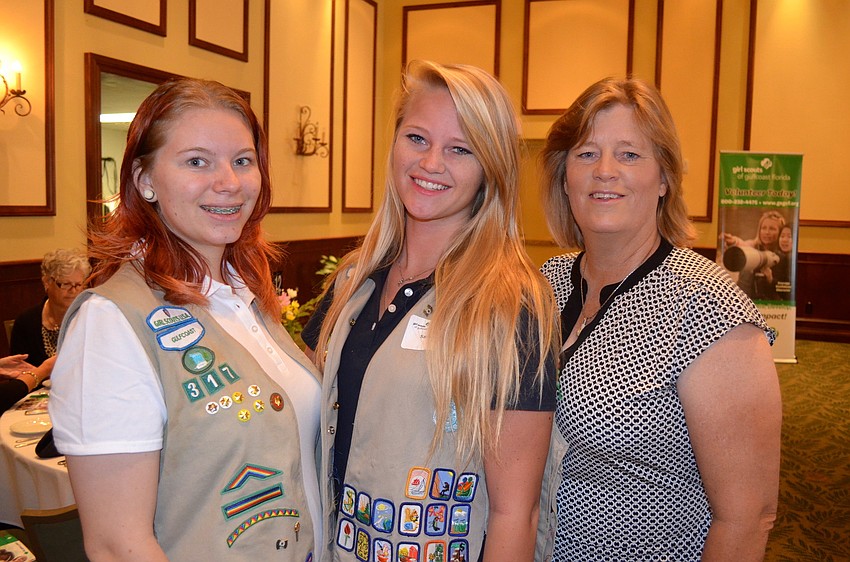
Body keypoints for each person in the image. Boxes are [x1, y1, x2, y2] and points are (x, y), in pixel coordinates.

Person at [48, 78, 322, 561]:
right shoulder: (111, 322)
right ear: (144, 180)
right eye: (198, 161)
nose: (230, 182)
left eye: (242, 161)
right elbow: (118, 545)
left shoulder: (244, 295)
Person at [302, 60, 559, 562]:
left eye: (459, 149)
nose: (431, 162)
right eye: (417, 138)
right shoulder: (352, 283)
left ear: (491, 169)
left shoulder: (511, 305)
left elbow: (516, 514)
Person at [536, 77, 782, 561]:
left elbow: (748, 516)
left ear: (665, 178)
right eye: (586, 154)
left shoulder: (708, 306)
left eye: (629, 155)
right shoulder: (546, 283)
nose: (605, 171)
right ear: (564, 177)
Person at [10, 248, 91, 368]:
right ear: (47, 282)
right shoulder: (26, 322)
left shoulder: (89, 317)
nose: (73, 291)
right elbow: (19, 371)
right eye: (66, 284)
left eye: (79, 285)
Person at [721, 210, 785, 299]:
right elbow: (743, 245)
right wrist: (733, 242)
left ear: (780, 232)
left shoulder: (783, 257)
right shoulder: (752, 248)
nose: (767, 232)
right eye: (764, 228)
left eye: (772, 229)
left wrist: (770, 280)